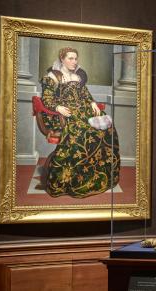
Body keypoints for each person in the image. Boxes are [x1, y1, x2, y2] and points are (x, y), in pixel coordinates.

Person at [40, 47, 120, 198]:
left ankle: (98, 172)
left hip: (81, 110)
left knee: (107, 126)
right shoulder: (52, 76)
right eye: (70, 58)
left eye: (75, 59)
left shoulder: (76, 77)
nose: (74, 61)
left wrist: (93, 104)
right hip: (63, 114)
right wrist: (58, 107)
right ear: (62, 58)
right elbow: (47, 99)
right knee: (83, 129)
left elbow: (85, 95)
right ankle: (75, 178)